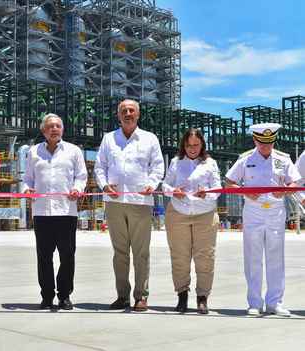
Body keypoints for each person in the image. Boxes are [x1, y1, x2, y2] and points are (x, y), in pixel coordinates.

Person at [94, 99, 164, 311]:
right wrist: (105, 186)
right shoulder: (109, 139)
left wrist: (152, 184)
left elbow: (158, 166)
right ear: (118, 115)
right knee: (120, 252)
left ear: (138, 114)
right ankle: (122, 295)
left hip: (140, 202)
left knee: (141, 252)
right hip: (114, 203)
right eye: (124, 110)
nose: (128, 113)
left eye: (131, 110)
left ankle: (141, 296)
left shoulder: (149, 139)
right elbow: (99, 167)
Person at [225, 123, 300, 317]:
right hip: (253, 211)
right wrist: (245, 194)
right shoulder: (245, 159)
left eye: (269, 143)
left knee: (276, 258)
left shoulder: (283, 159)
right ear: (255, 140)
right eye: (262, 143)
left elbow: (293, 182)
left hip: (276, 211)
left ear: (273, 140)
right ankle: (254, 303)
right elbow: (230, 183)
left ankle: (275, 303)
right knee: (253, 258)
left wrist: (286, 189)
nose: (266, 147)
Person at [22, 113, 87, 310]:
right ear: (43, 130)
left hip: (66, 211)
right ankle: (47, 295)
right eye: (50, 126)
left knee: (67, 256)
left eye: (58, 126)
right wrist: (27, 190)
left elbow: (81, 176)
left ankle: (65, 295)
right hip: (42, 213)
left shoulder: (74, 151)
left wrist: (78, 188)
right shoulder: (34, 152)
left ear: (62, 129)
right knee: (44, 256)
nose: (54, 129)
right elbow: (27, 179)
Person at [162, 128, 221, 314]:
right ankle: (182, 296)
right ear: (183, 145)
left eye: (196, 145)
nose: (192, 149)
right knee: (180, 256)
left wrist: (208, 194)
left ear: (202, 144)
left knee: (205, 257)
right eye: (188, 145)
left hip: (205, 214)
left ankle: (202, 297)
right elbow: (165, 185)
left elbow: (218, 188)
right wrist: (173, 191)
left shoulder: (210, 163)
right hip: (179, 213)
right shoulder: (175, 162)